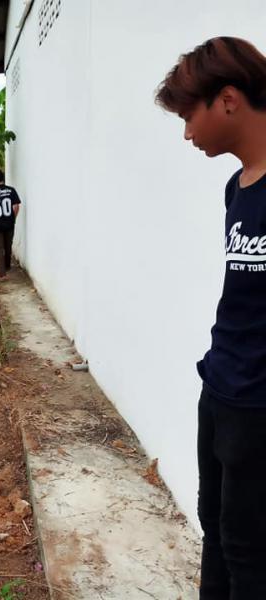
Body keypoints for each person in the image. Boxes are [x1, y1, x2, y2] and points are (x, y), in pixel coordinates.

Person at [156, 37, 266, 599]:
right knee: (216, 531)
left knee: (251, 550)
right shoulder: (238, 187)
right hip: (220, 388)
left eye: (189, 116)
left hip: (258, 406)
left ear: (227, 100)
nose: (187, 133)